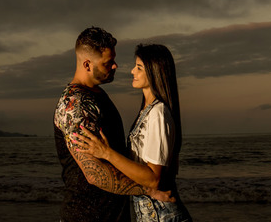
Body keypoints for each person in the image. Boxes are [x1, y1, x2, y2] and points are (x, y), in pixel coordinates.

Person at [54, 27, 173, 222]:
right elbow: (94, 173)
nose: (115, 66)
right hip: (86, 216)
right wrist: (149, 190)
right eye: (108, 63)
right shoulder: (74, 106)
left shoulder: (97, 95)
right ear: (87, 64)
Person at [72, 43, 191, 222]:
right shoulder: (147, 110)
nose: (132, 71)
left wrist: (106, 153)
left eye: (139, 67)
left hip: (161, 216)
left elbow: (153, 179)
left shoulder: (158, 113)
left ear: (154, 71)